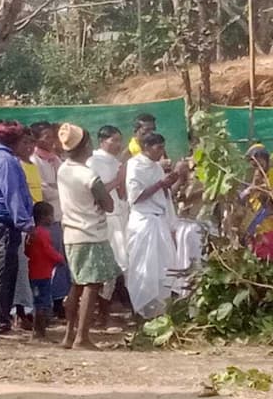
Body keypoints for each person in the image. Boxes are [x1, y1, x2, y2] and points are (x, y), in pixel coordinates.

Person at [57, 123, 120, 349]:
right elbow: (109, 204)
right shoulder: (89, 175)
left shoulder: (63, 170)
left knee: (76, 283)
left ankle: (68, 335)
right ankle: (82, 337)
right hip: (91, 233)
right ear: (85, 146)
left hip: (71, 234)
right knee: (92, 284)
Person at [0, 120, 35, 334]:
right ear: (15, 142)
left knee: (9, 268)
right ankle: (0, 321)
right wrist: (25, 222)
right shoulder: (5, 160)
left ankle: (4, 319)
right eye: (24, 142)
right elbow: (12, 193)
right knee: (2, 269)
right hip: (0, 219)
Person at [126, 133, 185, 318]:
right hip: (144, 223)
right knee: (144, 269)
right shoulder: (135, 165)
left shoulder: (157, 167)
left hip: (159, 222)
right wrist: (161, 183)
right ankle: (141, 312)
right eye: (158, 148)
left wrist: (172, 180)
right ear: (146, 147)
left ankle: (160, 312)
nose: (161, 152)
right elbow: (136, 197)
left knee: (163, 268)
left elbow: (164, 195)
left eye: (162, 147)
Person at [87, 125, 128, 326]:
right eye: (114, 140)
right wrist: (117, 180)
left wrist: (122, 182)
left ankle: (107, 311)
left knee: (120, 265)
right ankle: (100, 313)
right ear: (102, 141)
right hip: (105, 220)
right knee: (107, 267)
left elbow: (121, 193)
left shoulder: (116, 162)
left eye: (120, 140)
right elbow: (98, 192)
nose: (118, 144)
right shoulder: (94, 162)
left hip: (120, 217)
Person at [30, 121, 71, 316]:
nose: (51, 140)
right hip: (46, 218)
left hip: (61, 215)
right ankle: (48, 304)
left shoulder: (55, 159)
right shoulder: (35, 160)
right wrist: (60, 189)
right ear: (36, 139)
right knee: (50, 260)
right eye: (46, 137)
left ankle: (59, 299)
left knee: (62, 260)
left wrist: (58, 188)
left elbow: (66, 183)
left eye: (51, 136)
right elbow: (45, 191)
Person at [12, 129, 42, 329]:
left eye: (32, 142)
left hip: (36, 222)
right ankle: (19, 311)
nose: (29, 147)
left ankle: (33, 309)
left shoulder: (33, 166)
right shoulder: (16, 165)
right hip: (22, 223)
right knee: (20, 269)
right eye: (25, 143)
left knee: (34, 267)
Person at [25, 201, 66, 340]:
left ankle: (38, 332)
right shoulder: (43, 233)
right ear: (44, 217)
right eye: (51, 216)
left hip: (34, 273)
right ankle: (39, 332)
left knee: (38, 302)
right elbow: (48, 250)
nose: (53, 219)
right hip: (42, 275)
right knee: (42, 303)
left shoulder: (32, 233)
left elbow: (28, 252)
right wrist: (60, 259)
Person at [239, 144, 273, 262]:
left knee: (271, 258)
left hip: (270, 225)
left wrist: (258, 187)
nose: (256, 166)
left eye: (258, 161)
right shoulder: (253, 176)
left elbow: (270, 198)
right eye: (253, 163)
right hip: (255, 226)